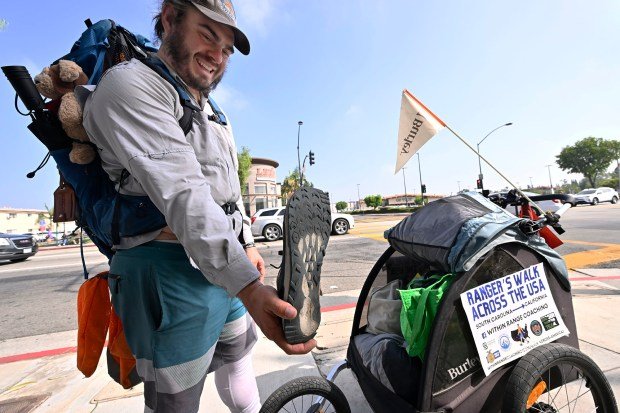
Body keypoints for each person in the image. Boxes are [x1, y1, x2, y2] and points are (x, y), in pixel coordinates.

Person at [82, 1, 315, 411]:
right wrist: (248, 287)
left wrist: (247, 243)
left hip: (226, 264)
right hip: (166, 270)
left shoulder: (212, 110)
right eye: (207, 34)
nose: (217, 56)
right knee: (177, 399)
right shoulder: (131, 85)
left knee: (238, 359)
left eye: (226, 48)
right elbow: (184, 193)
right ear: (170, 18)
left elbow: (226, 190)